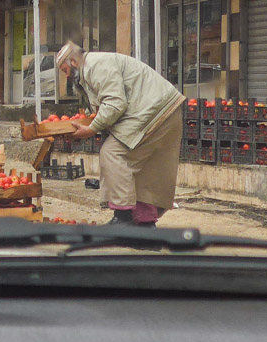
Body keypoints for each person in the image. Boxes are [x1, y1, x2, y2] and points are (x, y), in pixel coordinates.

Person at [55, 41, 186, 226]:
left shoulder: (95, 65)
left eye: (65, 71)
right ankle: (145, 225)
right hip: (165, 110)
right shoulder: (94, 67)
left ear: (74, 63)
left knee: (113, 153)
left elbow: (115, 104)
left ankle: (123, 219)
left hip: (153, 111)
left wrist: (91, 129)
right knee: (146, 170)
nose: (67, 77)